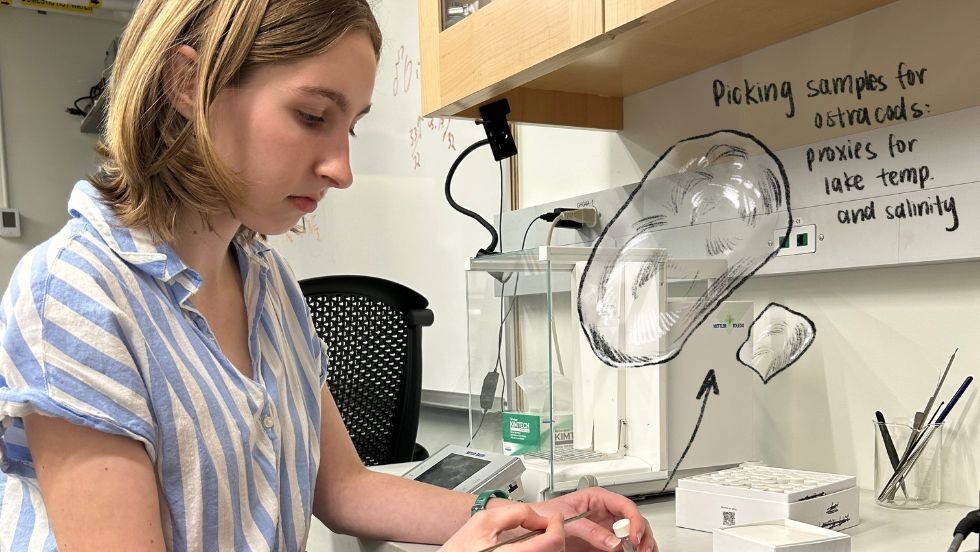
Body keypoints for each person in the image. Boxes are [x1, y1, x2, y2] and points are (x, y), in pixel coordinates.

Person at [0, 1, 658, 551]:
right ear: (187, 87)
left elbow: (344, 486)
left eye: (351, 126)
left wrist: (525, 522)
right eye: (313, 116)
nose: (341, 167)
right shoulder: (75, 296)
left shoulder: (268, 285)